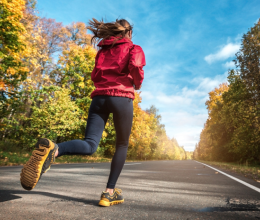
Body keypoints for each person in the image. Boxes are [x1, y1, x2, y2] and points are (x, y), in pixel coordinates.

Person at [20, 18, 146, 207]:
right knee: (122, 144)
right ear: (128, 33)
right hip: (121, 97)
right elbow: (136, 68)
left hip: (99, 98)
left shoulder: (103, 50)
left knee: (90, 144)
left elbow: (95, 75)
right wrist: (136, 83)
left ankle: (55, 149)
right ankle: (108, 193)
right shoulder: (133, 48)